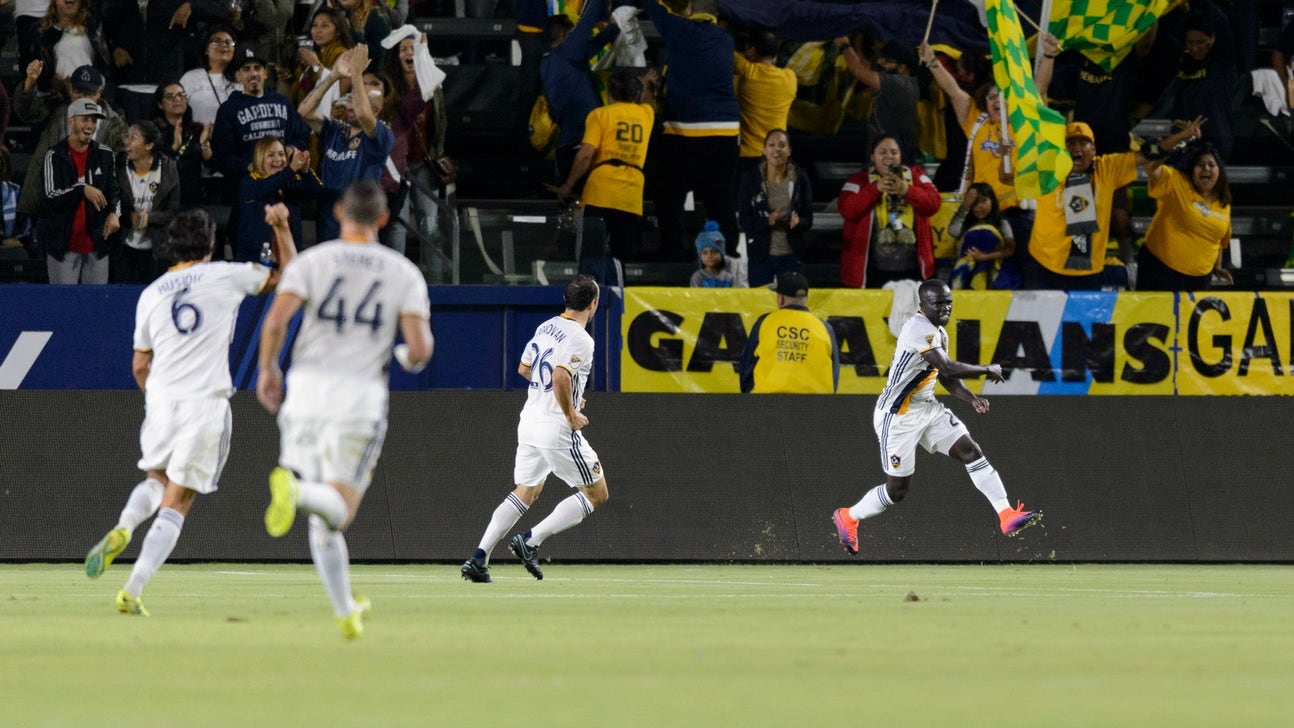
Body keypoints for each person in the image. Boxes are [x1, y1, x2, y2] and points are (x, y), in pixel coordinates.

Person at [83, 204, 296, 616]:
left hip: (162, 399)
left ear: (169, 247)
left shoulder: (150, 294)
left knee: (155, 481)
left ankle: (124, 526)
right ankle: (133, 588)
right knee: (177, 502)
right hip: (205, 403)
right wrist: (283, 227)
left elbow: (139, 365)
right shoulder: (226, 274)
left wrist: (156, 396)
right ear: (211, 244)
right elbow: (288, 278)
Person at [256, 179, 432, 639]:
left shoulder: (313, 261)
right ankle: (295, 494)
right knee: (338, 508)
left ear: (338, 212)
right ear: (382, 219)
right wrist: (408, 359)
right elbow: (419, 347)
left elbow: (276, 320)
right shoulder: (402, 272)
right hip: (357, 396)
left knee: (323, 514)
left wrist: (267, 370)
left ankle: (345, 609)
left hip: (307, 388)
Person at [831, 279, 1041, 556]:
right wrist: (985, 369)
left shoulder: (938, 332)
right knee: (897, 492)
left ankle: (1006, 515)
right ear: (922, 306)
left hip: (927, 408)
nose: (945, 308)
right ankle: (848, 516)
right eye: (938, 303)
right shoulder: (918, 328)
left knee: (971, 452)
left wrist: (972, 398)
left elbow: (943, 376)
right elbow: (948, 366)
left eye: (948, 303)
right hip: (898, 416)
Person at [460, 275, 607, 584]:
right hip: (555, 427)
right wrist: (570, 412)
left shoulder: (546, 327)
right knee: (596, 493)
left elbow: (525, 368)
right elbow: (560, 377)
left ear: (565, 301)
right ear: (593, 304)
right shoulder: (582, 338)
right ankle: (530, 540)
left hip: (529, 421)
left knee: (526, 491)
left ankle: (479, 557)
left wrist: (563, 396)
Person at [1024, 118, 1202, 290]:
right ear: (1062, 150)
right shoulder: (1047, 170)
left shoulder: (1107, 168)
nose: (1077, 148)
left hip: (1088, 272)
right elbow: (1007, 176)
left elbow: (1150, 152)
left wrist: (1183, 135)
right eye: (1070, 143)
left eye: (1083, 143)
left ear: (1093, 150)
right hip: (1044, 267)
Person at [921, 41, 1034, 265]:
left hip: (1015, 213)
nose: (996, 100)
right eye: (991, 97)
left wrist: (1047, 57)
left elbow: (1039, 89)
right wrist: (932, 62)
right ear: (985, 101)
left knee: (1015, 274)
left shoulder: (1025, 125)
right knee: (976, 269)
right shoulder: (977, 122)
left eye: (1001, 96)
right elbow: (953, 91)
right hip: (981, 211)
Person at [645, 0, 741, 261]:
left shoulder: (678, 29)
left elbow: (653, 6)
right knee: (720, 198)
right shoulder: (726, 40)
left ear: (688, 11)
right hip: (725, 131)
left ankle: (674, 249)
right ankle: (728, 254)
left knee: (668, 193)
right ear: (717, 15)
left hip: (684, 130)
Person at [554, 67, 654, 276]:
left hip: (601, 190)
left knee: (591, 252)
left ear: (609, 95)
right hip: (631, 193)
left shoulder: (600, 115)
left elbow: (586, 154)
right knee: (622, 255)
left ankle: (587, 298)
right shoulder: (646, 114)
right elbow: (648, 101)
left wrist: (568, 185)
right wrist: (645, 82)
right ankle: (618, 298)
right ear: (636, 94)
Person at [298, 45, 395, 242]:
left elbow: (362, 113)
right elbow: (304, 111)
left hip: (361, 222)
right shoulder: (335, 130)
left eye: (358, 101)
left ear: (375, 111)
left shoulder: (382, 136)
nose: (352, 104)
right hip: (328, 219)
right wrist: (333, 75)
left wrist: (357, 74)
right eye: (350, 98)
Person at [837, 134, 941, 288]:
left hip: (914, 271)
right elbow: (847, 210)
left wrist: (908, 191)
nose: (889, 157)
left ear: (900, 155)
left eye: (894, 152)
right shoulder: (858, 180)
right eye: (882, 152)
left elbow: (934, 203)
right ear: (872, 156)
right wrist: (876, 189)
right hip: (871, 272)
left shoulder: (916, 177)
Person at [38, 98, 121, 284]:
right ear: (71, 121)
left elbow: (115, 192)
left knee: (95, 307)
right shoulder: (55, 155)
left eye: (94, 120)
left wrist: (115, 214)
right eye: (85, 119)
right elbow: (51, 197)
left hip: (97, 246)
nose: (90, 125)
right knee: (63, 306)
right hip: (63, 247)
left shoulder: (105, 154)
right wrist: (82, 189)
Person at [1136, 143, 1233, 291]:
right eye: (1200, 164)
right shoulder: (1176, 181)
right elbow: (1151, 167)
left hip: (1199, 280)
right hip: (1160, 270)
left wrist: (1217, 267)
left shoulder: (1224, 204)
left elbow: (1219, 240)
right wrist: (1173, 146)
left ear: (1219, 171)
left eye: (1211, 165)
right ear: (1192, 170)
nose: (1206, 168)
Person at [212, 43, 310, 181]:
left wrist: (292, 149)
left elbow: (302, 137)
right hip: (249, 184)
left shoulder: (283, 102)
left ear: (265, 73)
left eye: (257, 68)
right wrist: (249, 167)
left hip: (285, 180)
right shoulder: (228, 109)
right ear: (238, 76)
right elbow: (222, 155)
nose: (253, 74)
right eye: (246, 69)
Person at [737, 271, 839, 394]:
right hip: (814, 406)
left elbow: (747, 367)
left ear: (781, 299)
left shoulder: (765, 322)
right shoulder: (825, 327)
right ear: (806, 299)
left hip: (768, 403)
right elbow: (834, 373)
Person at [737, 128, 814, 287]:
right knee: (759, 307)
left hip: (792, 256)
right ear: (764, 151)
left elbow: (809, 219)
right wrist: (767, 221)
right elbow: (745, 220)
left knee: (792, 305)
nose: (777, 149)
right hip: (760, 256)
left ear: (790, 150)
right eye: (771, 145)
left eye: (782, 145)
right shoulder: (750, 179)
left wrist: (799, 222)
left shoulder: (800, 178)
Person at [836, 35, 920, 166]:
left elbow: (859, 71)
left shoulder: (899, 84)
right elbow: (863, 64)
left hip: (892, 161)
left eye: (886, 60)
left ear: (902, 68)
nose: (880, 62)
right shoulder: (896, 78)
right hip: (885, 156)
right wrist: (857, 38)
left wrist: (845, 46)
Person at [114, 121, 181, 283]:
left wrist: (149, 218)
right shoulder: (119, 166)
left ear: (149, 145)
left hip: (156, 250)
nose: (127, 142)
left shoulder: (168, 169)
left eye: (134, 138)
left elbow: (173, 213)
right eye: (127, 137)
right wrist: (128, 217)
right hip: (124, 248)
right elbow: (112, 202)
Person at [237, 137, 321, 261]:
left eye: (282, 154)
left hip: (290, 255)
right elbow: (268, 186)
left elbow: (317, 192)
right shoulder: (249, 182)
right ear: (260, 158)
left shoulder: (290, 180)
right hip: (258, 259)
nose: (278, 159)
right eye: (271, 155)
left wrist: (305, 172)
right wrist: (291, 170)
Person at [733, 29, 797, 177]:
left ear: (752, 50)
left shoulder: (747, 72)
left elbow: (723, 48)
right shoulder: (790, 77)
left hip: (748, 155)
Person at [946, 183, 1017, 291]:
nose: (979, 206)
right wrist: (965, 205)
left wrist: (984, 257)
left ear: (992, 201)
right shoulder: (966, 223)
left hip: (995, 273)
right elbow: (953, 231)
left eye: (983, 201)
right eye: (974, 203)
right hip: (968, 273)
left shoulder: (1001, 223)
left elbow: (1010, 249)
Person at [152, 82, 212, 208]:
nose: (178, 99)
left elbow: (211, 165)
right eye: (170, 96)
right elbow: (151, 167)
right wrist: (174, 147)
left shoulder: (197, 129)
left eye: (181, 95)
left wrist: (204, 144)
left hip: (193, 198)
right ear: (160, 104)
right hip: (164, 200)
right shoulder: (152, 131)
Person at [179, 27, 240, 126]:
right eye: (217, 41)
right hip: (199, 137)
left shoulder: (241, 78)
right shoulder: (190, 78)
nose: (224, 45)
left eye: (229, 42)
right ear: (206, 50)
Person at [690, 220, 745, 288]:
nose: (709, 255)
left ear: (722, 254)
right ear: (700, 256)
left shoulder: (730, 278)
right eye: (705, 253)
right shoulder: (697, 277)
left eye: (714, 251)